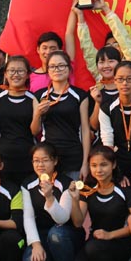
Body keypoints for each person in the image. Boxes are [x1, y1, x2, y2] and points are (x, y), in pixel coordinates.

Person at [69, 145, 131, 261]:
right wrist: (75, 200)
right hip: (98, 242)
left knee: (94, 247)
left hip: (121, 242)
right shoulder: (88, 191)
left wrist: (109, 235)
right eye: (94, 165)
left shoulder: (124, 190)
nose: (98, 170)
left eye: (104, 164)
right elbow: (78, 222)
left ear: (113, 165)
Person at [21, 142, 84, 261]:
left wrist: (49, 198)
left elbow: (61, 219)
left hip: (65, 233)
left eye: (45, 160)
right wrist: (36, 244)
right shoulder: (28, 184)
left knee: (56, 234)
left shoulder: (66, 183)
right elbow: (28, 217)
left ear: (55, 161)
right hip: (42, 233)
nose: (40, 165)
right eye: (36, 160)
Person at [31, 51, 91, 180]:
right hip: (48, 157)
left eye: (61, 66)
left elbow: (85, 130)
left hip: (73, 155)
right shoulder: (39, 96)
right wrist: (37, 114)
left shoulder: (80, 95)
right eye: (52, 66)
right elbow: (34, 131)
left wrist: (85, 162)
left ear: (69, 68)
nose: (57, 70)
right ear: (47, 70)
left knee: (73, 191)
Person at [0, 55, 36, 185]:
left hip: (28, 158)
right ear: (5, 74)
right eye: (11, 70)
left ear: (27, 74)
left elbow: (36, 131)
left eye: (20, 71)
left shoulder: (34, 99)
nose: (15, 74)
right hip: (3, 159)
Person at [73, 0, 131, 86]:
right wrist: (80, 16)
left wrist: (105, 9)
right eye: (108, 45)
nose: (112, 47)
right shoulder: (101, 76)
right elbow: (88, 50)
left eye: (116, 44)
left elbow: (124, 39)